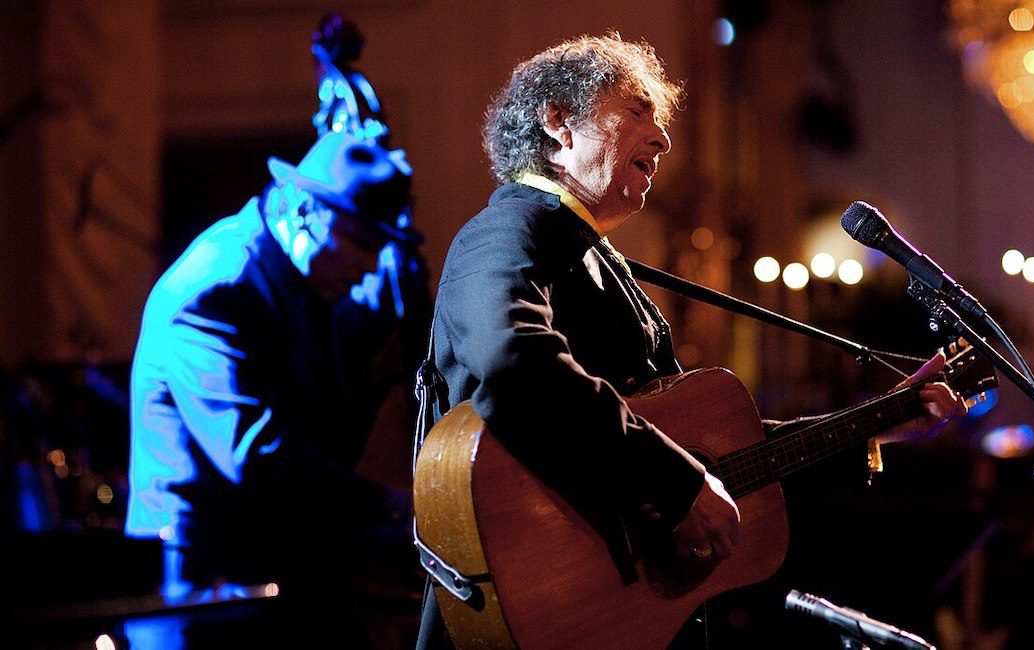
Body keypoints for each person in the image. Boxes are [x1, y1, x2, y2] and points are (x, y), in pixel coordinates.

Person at [419, 34, 966, 647]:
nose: (662, 140)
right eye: (635, 113)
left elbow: (714, 455)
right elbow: (512, 361)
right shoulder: (508, 230)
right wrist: (674, 483)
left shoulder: (593, 256)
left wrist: (874, 423)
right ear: (559, 124)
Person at [125, 132, 428, 645]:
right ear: (304, 209)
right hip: (207, 572)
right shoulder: (218, 285)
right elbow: (254, 453)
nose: (369, 267)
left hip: (269, 553)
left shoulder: (301, 278)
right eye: (360, 241)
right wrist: (393, 507)